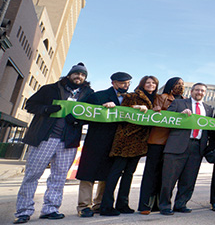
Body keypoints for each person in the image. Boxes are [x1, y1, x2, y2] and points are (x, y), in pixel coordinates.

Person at [14, 63, 92, 224]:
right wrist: (47, 109)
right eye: (77, 74)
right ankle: (23, 211)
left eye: (83, 75)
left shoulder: (88, 94)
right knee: (32, 174)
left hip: (68, 142)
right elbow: (30, 105)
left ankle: (51, 209)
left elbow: (92, 113)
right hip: (45, 138)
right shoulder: (50, 89)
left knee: (59, 176)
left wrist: (79, 120)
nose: (79, 77)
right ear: (69, 75)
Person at [76, 71, 132, 217]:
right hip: (96, 141)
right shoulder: (98, 96)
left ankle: (100, 204)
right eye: (122, 83)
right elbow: (83, 114)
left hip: (116, 144)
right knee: (88, 173)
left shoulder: (130, 100)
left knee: (108, 175)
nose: (125, 86)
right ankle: (84, 206)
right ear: (113, 83)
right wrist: (102, 108)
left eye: (127, 83)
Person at [100, 75, 157, 216]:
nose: (150, 85)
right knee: (115, 173)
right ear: (142, 84)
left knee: (129, 174)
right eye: (147, 82)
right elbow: (121, 111)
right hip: (126, 139)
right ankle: (106, 206)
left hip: (140, 142)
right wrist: (134, 107)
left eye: (153, 83)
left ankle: (122, 204)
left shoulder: (155, 99)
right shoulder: (132, 95)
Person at [159, 83, 214, 215]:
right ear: (192, 91)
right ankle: (165, 205)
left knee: (189, 180)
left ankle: (181, 204)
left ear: (205, 93)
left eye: (202, 91)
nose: (199, 92)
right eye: (197, 90)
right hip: (177, 146)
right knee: (169, 179)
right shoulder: (179, 103)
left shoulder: (209, 109)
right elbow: (166, 119)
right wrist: (180, 116)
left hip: (197, 147)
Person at [138, 77, 183, 214]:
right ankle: (145, 205)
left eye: (182, 84)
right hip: (158, 140)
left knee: (165, 175)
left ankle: (158, 204)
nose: (180, 86)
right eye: (177, 83)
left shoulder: (185, 100)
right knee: (151, 173)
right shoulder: (162, 97)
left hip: (174, 142)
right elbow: (155, 115)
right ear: (170, 85)